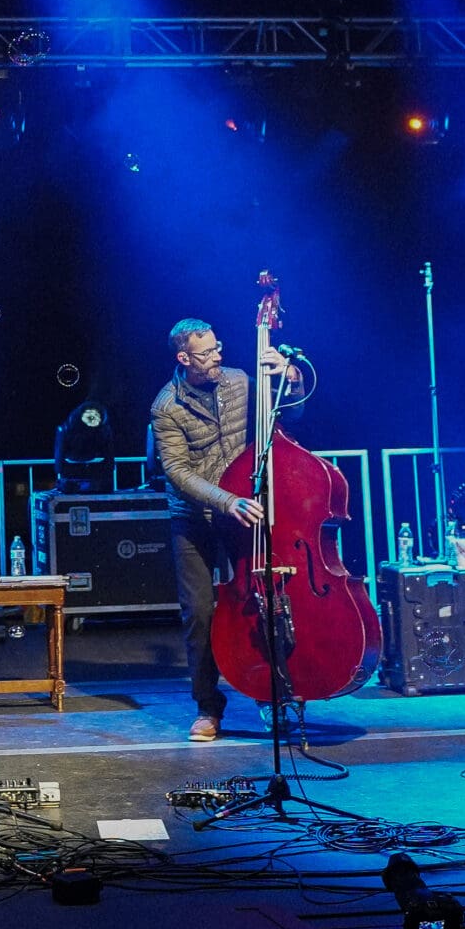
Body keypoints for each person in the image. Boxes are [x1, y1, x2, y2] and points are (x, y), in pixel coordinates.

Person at [148, 318, 300, 743]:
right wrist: (226, 500)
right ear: (184, 358)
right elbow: (176, 471)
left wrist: (290, 377)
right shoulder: (166, 407)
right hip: (194, 517)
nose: (218, 356)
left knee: (266, 601)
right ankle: (207, 707)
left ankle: (276, 696)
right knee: (198, 613)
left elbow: (290, 413)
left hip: (243, 514)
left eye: (218, 347)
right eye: (207, 352)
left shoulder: (239, 381)